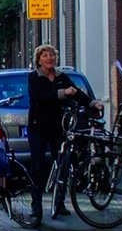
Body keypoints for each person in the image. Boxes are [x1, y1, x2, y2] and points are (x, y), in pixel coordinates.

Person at [27, 44, 103, 219]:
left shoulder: (62, 77)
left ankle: (59, 203)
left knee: (62, 165)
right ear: (39, 59)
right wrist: (63, 93)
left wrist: (92, 103)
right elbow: (40, 97)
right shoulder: (34, 78)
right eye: (45, 56)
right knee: (37, 167)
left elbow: (77, 93)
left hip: (58, 128)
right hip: (38, 128)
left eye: (52, 55)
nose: (49, 58)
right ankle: (36, 207)